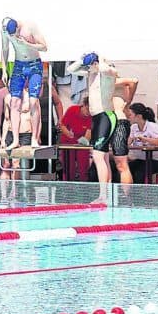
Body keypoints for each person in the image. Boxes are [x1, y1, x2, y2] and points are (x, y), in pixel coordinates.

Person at [68, 53, 118, 203]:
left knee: (97, 156)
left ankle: (103, 195)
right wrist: (83, 60)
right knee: (103, 157)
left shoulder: (109, 73)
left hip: (106, 116)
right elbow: (71, 69)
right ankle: (107, 195)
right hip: (97, 118)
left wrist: (100, 58)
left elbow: (105, 69)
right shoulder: (91, 73)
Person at [1, 17, 48, 148]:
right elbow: (5, 49)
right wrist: (5, 70)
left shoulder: (30, 26)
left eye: (15, 33)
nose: (14, 36)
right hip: (19, 65)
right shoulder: (4, 31)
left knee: (33, 101)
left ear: (18, 27)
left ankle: (34, 138)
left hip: (34, 65)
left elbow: (44, 47)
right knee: (14, 101)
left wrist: (27, 44)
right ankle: (15, 140)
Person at [126, 103, 158, 184]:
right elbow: (128, 144)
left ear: (139, 116)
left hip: (156, 161)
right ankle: (125, 194)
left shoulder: (153, 126)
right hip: (140, 160)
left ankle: (139, 195)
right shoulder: (133, 127)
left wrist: (146, 139)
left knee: (139, 172)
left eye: (130, 115)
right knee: (124, 169)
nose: (128, 117)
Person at [111, 77, 139, 187]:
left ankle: (127, 199)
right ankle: (104, 195)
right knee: (100, 160)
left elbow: (134, 80)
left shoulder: (117, 82)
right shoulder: (96, 82)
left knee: (121, 163)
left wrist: (128, 102)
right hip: (105, 120)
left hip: (118, 120)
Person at [58, 97, 92, 181]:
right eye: (87, 109)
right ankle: (67, 186)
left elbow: (88, 135)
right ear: (83, 105)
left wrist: (83, 141)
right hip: (68, 142)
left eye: (90, 110)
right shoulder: (72, 110)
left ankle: (84, 186)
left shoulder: (92, 116)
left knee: (84, 166)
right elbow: (62, 125)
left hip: (82, 143)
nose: (88, 112)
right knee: (68, 167)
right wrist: (68, 134)